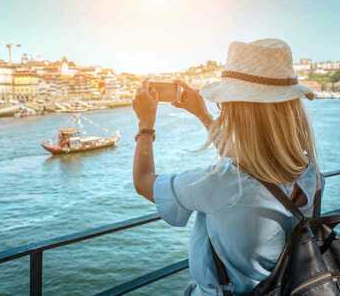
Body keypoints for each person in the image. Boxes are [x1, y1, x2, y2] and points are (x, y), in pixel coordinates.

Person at [132, 39, 320, 295]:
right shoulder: (310, 172)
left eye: (224, 105)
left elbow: (144, 182)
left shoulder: (223, 184)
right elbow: (251, 162)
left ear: (237, 111)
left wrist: (145, 124)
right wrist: (201, 113)